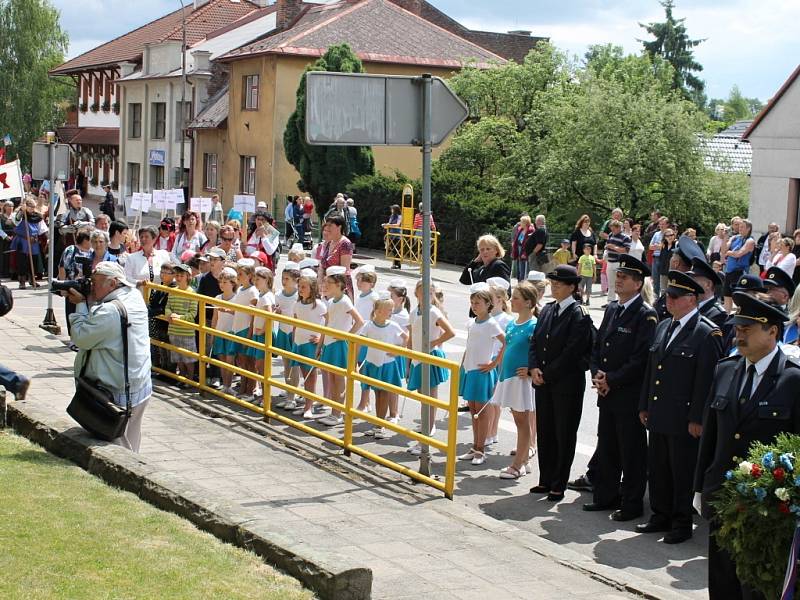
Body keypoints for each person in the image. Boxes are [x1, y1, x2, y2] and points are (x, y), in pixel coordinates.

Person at [693, 292, 800, 599]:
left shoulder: (792, 381)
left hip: (767, 509)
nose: (739, 334)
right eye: (738, 327)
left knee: (756, 587)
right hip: (724, 500)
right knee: (722, 581)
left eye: (747, 329)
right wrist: (701, 485)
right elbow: (711, 434)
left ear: (772, 332)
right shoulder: (726, 369)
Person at [636, 270, 722, 544]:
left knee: (682, 472)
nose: (668, 301)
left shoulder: (706, 333)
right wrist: (645, 404)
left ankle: (681, 522)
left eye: (674, 296)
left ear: (691, 299)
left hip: (684, 417)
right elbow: (652, 370)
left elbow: (706, 381)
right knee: (658, 468)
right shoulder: (663, 326)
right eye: (667, 295)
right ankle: (660, 515)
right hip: (660, 412)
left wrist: (698, 418)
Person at [584, 255, 656, 521]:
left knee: (632, 451)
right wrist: (597, 375)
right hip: (607, 391)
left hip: (627, 394)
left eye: (625, 277)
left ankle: (631, 504)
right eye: (618, 276)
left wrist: (611, 379)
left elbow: (640, 359)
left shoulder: (645, 315)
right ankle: (606, 496)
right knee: (608, 446)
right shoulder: (614, 308)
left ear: (638, 284)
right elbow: (599, 346)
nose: (619, 280)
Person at [65, 261, 151, 451]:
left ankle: (129, 475)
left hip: (114, 389)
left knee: (114, 444)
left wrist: (80, 305)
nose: (91, 286)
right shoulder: (134, 296)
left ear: (112, 283)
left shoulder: (109, 311)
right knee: (131, 434)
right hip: (139, 382)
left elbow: (81, 338)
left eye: (96, 282)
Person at [528, 265, 595, 502]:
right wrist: (534, 367)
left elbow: (573, 352)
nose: (553, 287)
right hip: (543, 381)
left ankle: (558, 483)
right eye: (552, 283)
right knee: (545, 431)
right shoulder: (547, 310)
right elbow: (535, 341)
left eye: (558, 284)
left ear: (572, 287)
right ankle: (545, 479)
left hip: (565, 384)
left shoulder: (578, 314)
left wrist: (548, 373)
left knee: (563, 433)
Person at [456, 283, 505, 466]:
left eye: (478, 303)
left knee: (481, 412)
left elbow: (505, 343)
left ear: (488, 304)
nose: (474, 306)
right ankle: (475, 446)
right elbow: (469, 346)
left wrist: (494, 363)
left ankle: (481, 449)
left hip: (482, 372)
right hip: (470, 370)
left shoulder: (492, 323)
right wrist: (463, 365)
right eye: (472, 302)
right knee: (473, 411)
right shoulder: (472, 323)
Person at [494, 281, 538, 479]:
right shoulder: (512, 322)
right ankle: (524, 461)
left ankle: (518, 464)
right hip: (509, 377)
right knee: (518, 420)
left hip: (522, 381)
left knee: (522, 422)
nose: (512, 300)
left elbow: (539, 352)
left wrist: (530, 370)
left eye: (516, 298)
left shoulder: (535, 325)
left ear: (528, 302)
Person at [406, 280, 455, 456]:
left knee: (429, 399)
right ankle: (426, 431)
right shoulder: (414, 312)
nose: (424, 295)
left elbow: (450, 332)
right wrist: (408, 359)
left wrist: (433, 343)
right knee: (423, 397)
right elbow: (411, 338)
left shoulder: (433, 312)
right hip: (417, 358)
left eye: (428, 292)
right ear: (416, 293)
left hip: (430, 356)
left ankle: (426, 436)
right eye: (421, 291)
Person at [359, 294, 408, 439]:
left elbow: (406, 338)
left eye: (392, 309)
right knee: (377, 393)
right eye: (388, 309)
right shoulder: (368, 325)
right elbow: (359, 341)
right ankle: (377, 423)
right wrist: (356, 361)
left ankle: (380, 425)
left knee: (384, 393)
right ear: (378, 311)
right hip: (372, 362)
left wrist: (397, 351)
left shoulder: (392, 325)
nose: (391, 312)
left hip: (387, 364)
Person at [273, 262, 301, 412]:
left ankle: (293, 397)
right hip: (284, 332)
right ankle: (289, 394)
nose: (284, 282)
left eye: (287, 279)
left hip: (294, 333)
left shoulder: (299, 296)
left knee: (294, 366)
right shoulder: (278, 295)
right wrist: (276, 312)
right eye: (283, 278)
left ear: (296, 280)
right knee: (286, 365)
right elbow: (277, 312)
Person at [165, 263, 199, 387]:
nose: (178, 278)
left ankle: (189, 379)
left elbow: (193, 313)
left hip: (186, 331)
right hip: (174, 329)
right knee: (177, 356)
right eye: (177, 275)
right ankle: (182, 377)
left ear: (188, 277)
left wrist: (179, 318)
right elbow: (168, 306)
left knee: (188, 357)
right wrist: (169, 315)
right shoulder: (172, 291)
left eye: (181, 275)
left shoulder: (192, 293)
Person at [231, 259, 259, 398]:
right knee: (241, 361)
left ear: (249, 275)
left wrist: (250, 331)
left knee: (249, 361)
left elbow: (253, 314)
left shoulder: (252, 291)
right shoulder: (240, 289)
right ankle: (243, 386)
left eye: (241, 274)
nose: (238, 276)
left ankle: (250, 389)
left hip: (246, 328)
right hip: (237, 327)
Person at [58, 228, 92, 339]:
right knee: (72, 311)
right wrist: (62, 286)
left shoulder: (92, 252)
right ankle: (73, 337)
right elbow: (62, 266)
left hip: (87, 289)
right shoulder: (71, 249)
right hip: (72, 287)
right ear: (85, 239)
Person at [210, 267, 239, 395]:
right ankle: (225, 385)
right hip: (219, 332)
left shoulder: (237, 298)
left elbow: (239, 315)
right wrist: (212, 334)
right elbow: (215, 318)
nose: (221, 285)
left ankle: (229, 385)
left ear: (233, 283)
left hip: (231, 333)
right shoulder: (217, 297)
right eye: (220, 282)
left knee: (229, 361)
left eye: (225, 282)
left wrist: (228, 311)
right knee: (222, 361)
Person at [11, 197, 47, 289]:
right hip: (22, 241)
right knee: (22, 261)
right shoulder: (20, 214)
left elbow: (42, 229)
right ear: (25, 206)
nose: (31, 209)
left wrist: (45, 238)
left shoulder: (37, 216)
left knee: (34, 261)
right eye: (29, 207)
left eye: (33, 207)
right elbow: (16, 221)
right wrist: (22, 212)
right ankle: (22, 282)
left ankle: (32, 280)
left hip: (33, 241)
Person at [316, 214, 354, 299]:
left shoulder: (345, 244)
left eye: (330, 225)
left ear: (339, 227)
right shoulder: (329, 242)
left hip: (338, 287)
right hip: (327, 285)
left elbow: (344, 270)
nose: (327, 228)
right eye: (327, 225)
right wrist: (320, 281)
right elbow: (322, 264)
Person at [722, 218, 756, 312]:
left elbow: (739, 254)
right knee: (727, 297)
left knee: (739, 300)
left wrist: (728, 253)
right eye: (739, 226)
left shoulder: (750, 241)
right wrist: (725, 237)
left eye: (742, 227)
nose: (739, 228)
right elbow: (723, 250)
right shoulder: (734, 238)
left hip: (740, 273)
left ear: (748, 228)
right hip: (729, 272)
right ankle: (726, 319)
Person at [688, 258, 728, 329]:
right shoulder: (689, 307)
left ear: (708, 284)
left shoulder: (718, 315)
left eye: (694, 282)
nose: (691, 286)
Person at [604, 219, 631, 306]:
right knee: (611, 284)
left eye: (614, 228)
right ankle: (610, 302)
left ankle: (621, 301)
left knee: (620, 283)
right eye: (611, 228)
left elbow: (626, 250)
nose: (612, 230)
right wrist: (607, 247)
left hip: (618, 263)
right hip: (610, 262)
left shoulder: (625, 237)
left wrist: (614, 247)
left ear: (619, 228)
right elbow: (607, 245)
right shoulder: (610, 235)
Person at [510, 215, 535, 281]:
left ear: (525, 223)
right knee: (521, 269)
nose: (520, 223)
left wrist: (525, 253)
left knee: (526, 270)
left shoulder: (531, 231)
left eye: (521, 221)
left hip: (526, 252)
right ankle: (520, 283)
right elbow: (517, 240)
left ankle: (524, 285)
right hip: (519, 250)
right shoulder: (520, 229)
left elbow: (529, 244)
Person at [649, 216, 668, 295]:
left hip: (664, 259)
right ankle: (655, 299)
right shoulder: (656, 234)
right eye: (660, 224)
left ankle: (663, 300)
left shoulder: (669, 234)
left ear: (667, 225)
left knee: (663, 281)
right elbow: (650, 247)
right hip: (655, 258)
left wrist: (657, 246)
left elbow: (664, 247)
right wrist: (659, 247)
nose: (661, 226)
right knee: (655, 280)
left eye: (663, 224)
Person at [383, 204, 403, 269]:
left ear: (395, 210)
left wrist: (389, 225)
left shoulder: (399, 216)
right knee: (393, 250)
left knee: (397, 249)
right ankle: (395, 263)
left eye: (392, 209)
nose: (391, 210)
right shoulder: (392, 216)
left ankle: (398, 264)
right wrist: (385, 225)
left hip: (397, 234)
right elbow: (390, 223)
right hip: (391, 234)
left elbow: (397, 224)